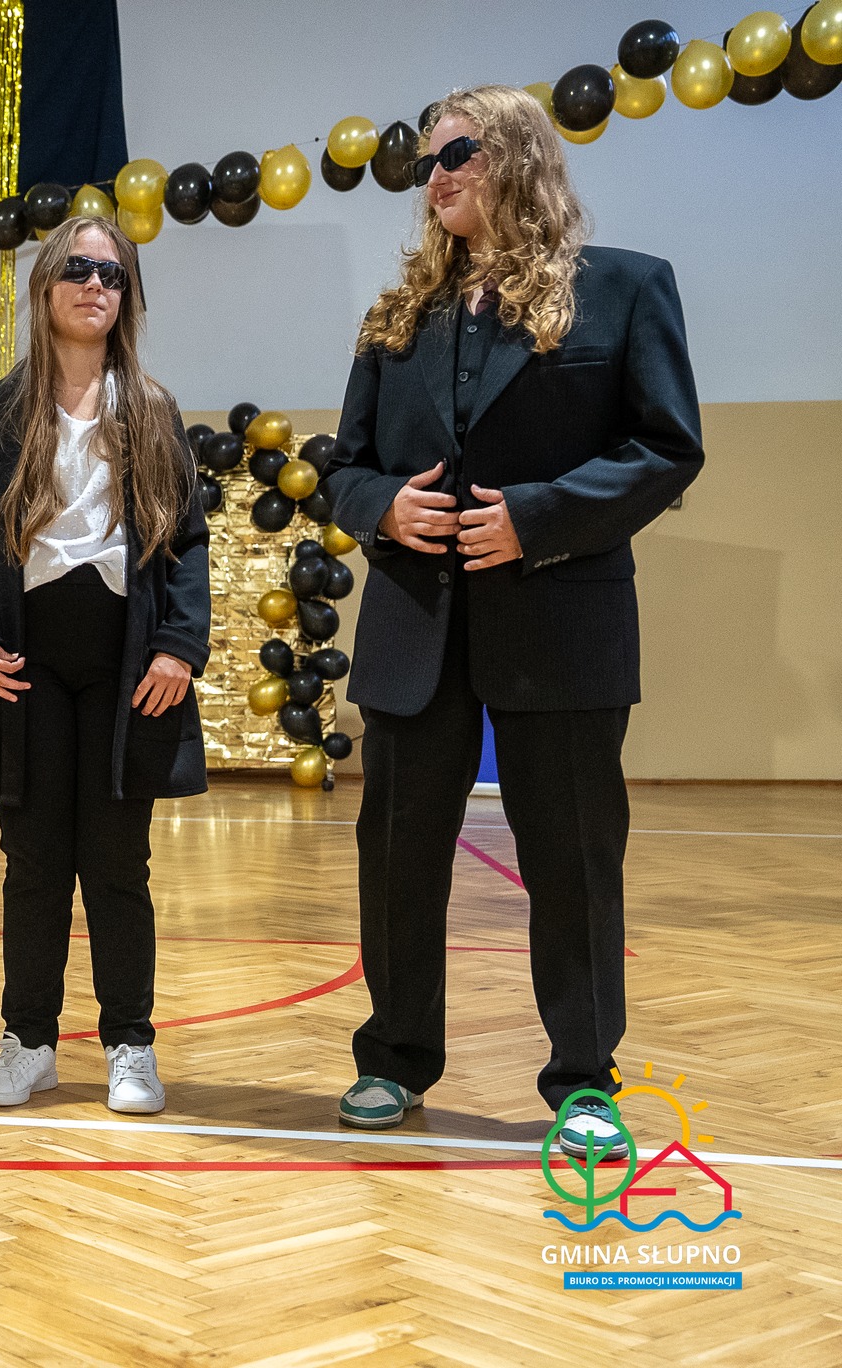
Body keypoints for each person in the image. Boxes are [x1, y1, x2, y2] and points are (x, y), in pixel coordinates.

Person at [322, 86, 702, 1155]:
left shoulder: (624, 288)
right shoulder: (395, 317)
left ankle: (584, 1080)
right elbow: (344, 467)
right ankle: (393, 1060)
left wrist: (534, 522)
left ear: (518, 155)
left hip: (561, 628)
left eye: (454, 153)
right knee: (398, 857)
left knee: (572, 862)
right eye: (423, 164)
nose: (432, 176)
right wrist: (381, 507)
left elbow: (666, 449)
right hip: (414, 628)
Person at [0, 215, 210, 1115]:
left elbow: (189, 546)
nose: (96, 285)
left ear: (127, 297)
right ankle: (29, 1043)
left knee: (118, 863)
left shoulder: (154, 411)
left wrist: (180, 645)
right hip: (28, 667)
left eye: (113, 275)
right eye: (80, 270)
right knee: (34, 862)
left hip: (128, 670)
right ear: (46, 285)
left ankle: (131, 1044)